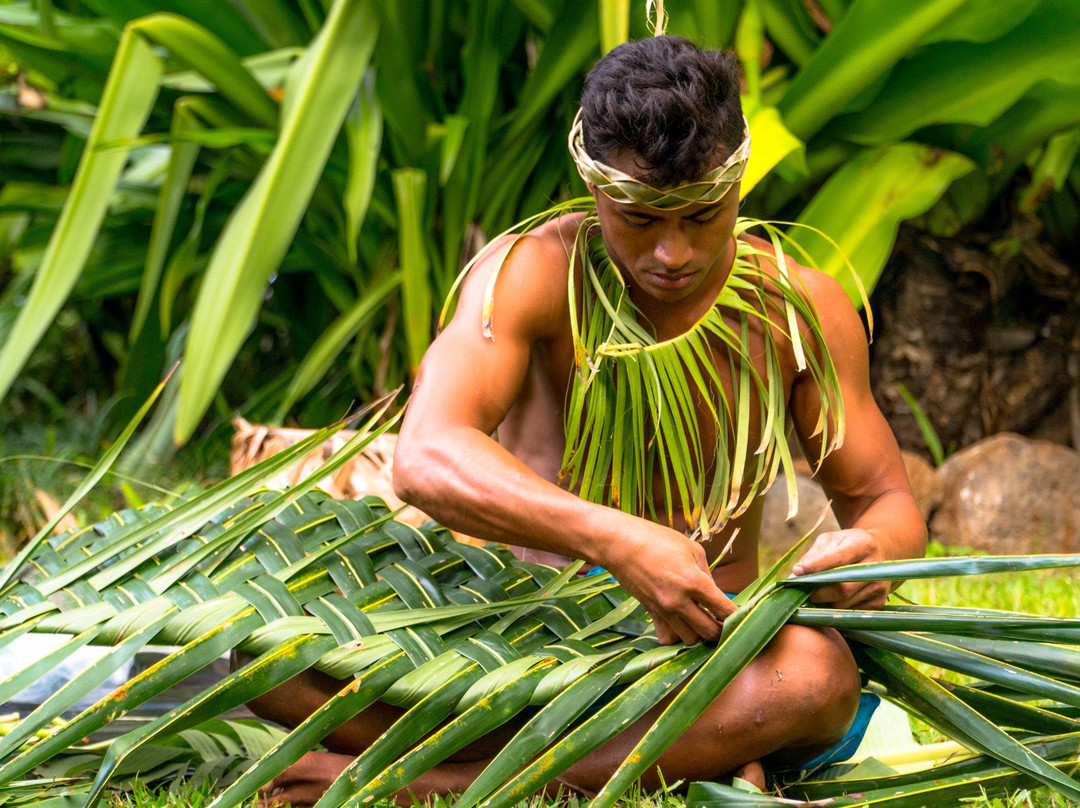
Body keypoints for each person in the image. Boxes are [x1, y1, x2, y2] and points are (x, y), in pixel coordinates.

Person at [253, 35, 926, 806]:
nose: (672, 253)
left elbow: (888, 504)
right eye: (638, 218)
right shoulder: (532, 273)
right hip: (518, 643)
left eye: (703, 216)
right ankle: (689, 753)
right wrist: (616, 538)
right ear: (594, 184)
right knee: (265, 661)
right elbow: (427, 454)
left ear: (739, 181)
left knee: (815, 677)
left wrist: (869, 550)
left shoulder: (798, 310)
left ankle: (435, 784)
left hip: (704, 658)